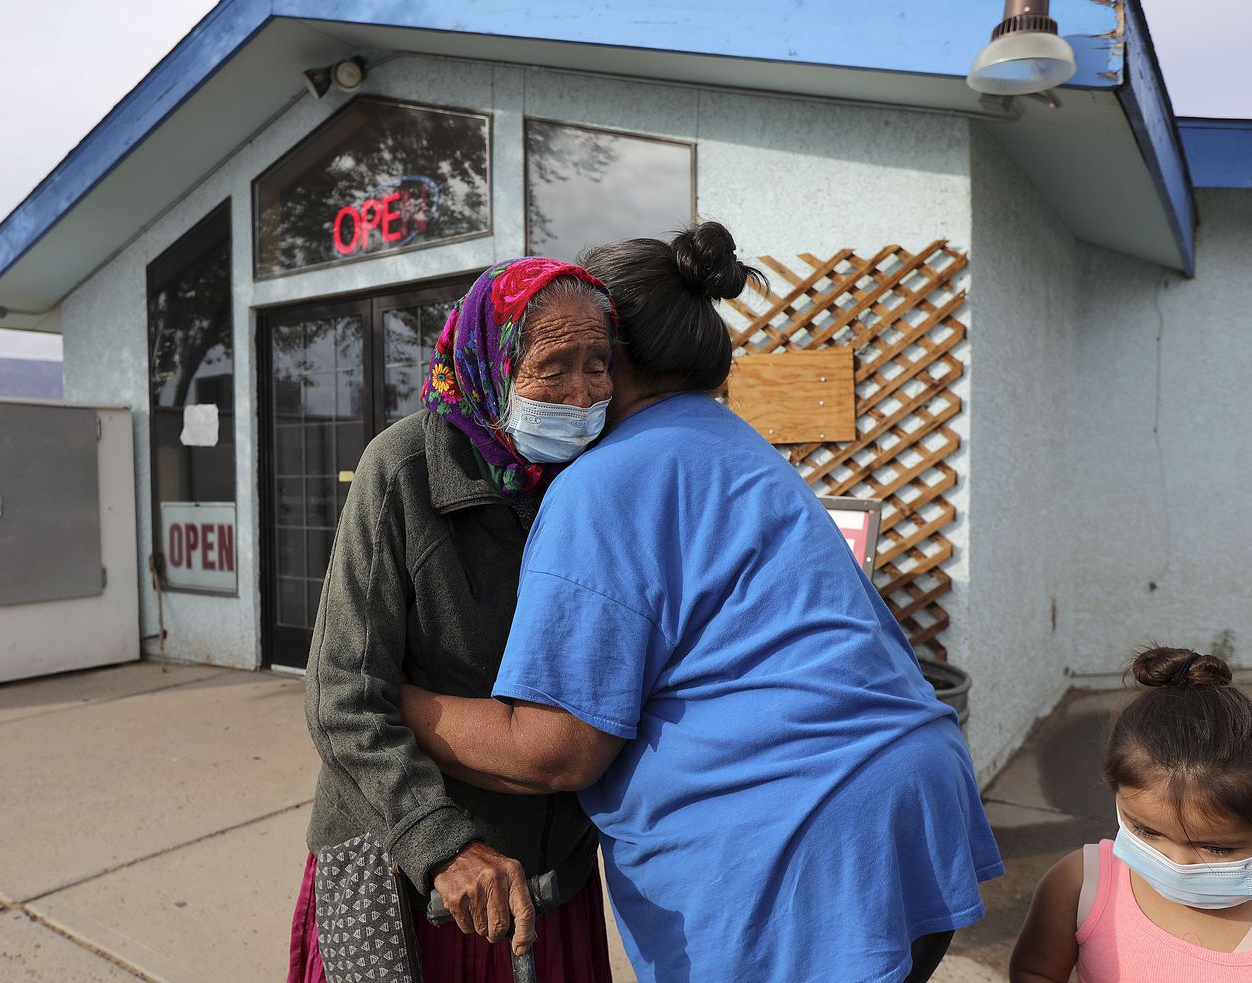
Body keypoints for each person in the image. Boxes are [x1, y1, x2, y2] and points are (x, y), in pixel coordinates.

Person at [400, 222, 1004, 982]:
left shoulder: (602, 483)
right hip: (911, 793)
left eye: (581, 355)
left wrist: (395, 702)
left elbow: (557, 748)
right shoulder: (737, 444)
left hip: (799, 841)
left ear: (610, 353)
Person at [288, 258, 619, 983]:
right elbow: (342, 696)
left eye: (598, 364)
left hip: (548, 875)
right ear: (489, 362)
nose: (582, 393)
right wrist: (440, 842)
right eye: (553, 366)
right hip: (412, 866)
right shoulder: (401, 471)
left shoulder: (594, 479)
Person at [1009, 647, 1252, 983]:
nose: (1177, 863)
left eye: (1218, 849)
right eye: (1147, 832)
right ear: (1116, 795)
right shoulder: (1080, 884)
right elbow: (1035, 970)